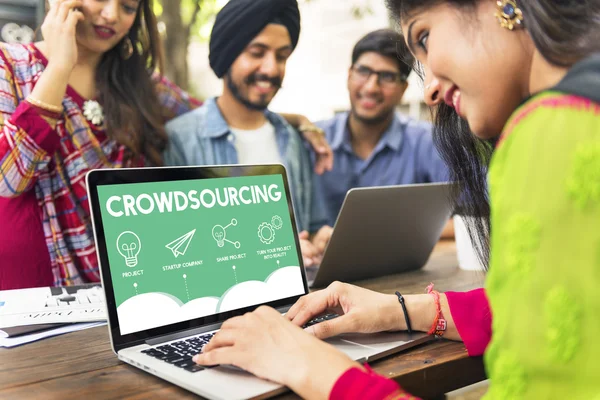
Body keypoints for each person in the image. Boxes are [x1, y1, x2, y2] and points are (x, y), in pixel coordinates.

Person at [191, 1, 600, 399]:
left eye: (424, 36)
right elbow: (540, 312)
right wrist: (401, 310)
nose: (432, 91)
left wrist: (308, 365)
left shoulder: (552, 131)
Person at [0, 0, 204, 290]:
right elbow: (8, 177)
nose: (112, 15)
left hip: (125, 288)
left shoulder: (141, 85)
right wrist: (59, 66)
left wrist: (291, 120)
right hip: (30, 294)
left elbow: (212, 119)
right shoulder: (8, 65)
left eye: (128, 7)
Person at [164, 0, 329, 265]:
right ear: (228, 55)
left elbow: (314, 222)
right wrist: (276, 250)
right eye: (257, 52)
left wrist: (323, 237)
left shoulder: (293, 138)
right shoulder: (179, 140)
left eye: (281, 56)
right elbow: (175, 244)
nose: (271, 68)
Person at [315, 29, 449, 227]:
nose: (371, 88)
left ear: (403, 89)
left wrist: (391, 231)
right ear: (349, 75)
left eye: (387, 77)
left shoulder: (427, 141)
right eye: (363, 71)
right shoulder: (313, 139)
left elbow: (474, 212)